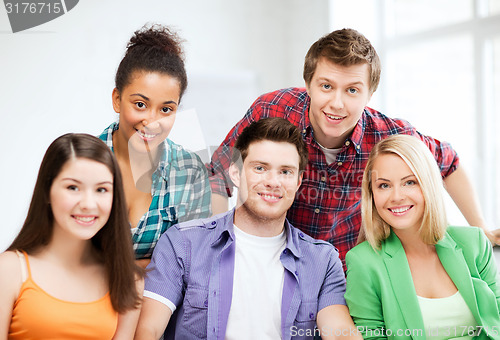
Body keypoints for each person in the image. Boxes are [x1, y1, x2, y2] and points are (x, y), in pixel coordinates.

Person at [209, 28, 498, 266]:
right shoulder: (272, 109)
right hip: (268, 260)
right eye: (326, 86)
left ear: (370, 93)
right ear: (308, 84)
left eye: (352, 90)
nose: (337, 103)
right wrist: (218, 239)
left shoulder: (390, 135)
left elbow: (448, 163)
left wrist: (480, 228)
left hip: (343, 271)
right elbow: (219, 171)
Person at [135, 118, 361, 340]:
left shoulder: (322, 260)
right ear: (235, 173)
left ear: (299, 180)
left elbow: (340, 333)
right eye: (260, 168)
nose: (273, 182)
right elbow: (148, 330)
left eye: (286, 172)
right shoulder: (183, 243)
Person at [344, 134, 500, 339]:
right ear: (371, 194)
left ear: (429, 185)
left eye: (409, 182)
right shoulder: (363, 261)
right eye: (384, 185)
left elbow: (496, 320)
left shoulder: (473, 243)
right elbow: (372, 335)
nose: (397, 196)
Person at [0, 133, 143, 339]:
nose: (88, 203)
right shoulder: (9, 270)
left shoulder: (129, 280)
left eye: (102, 189)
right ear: (47, 191)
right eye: (73, 187)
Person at [98, 24, 211, 268]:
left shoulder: (190, 172)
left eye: (166, 109)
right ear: (117, 99)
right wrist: (151, 267)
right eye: (140, 104)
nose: (151, 121)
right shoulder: (79, 161)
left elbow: (192, 265)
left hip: (155, 304)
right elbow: (61, 258)